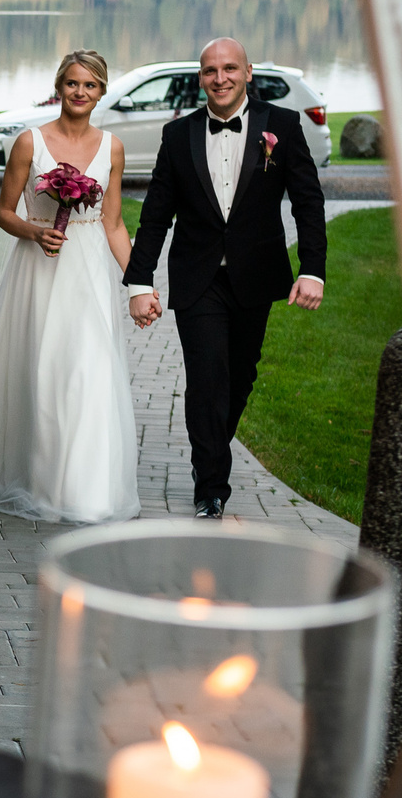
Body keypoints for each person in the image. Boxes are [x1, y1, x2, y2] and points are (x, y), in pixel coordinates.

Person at [122, 37, 325, 519]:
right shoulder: (179, 136)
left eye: (230, 68)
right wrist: (139, 282)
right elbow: (156, 215)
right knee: (208, 379)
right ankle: (210, 485)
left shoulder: (284, 125)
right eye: (211, 70)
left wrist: (312, 269)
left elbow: (309, 202)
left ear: (248, 72)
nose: (221, 78)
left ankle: (210, 448)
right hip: (198, 280)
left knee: (239, 379)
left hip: (257, 276)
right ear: (201, 77)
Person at [0, 50, 142, 525]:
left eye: (90, 85)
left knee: (87, 372)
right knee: (41, 371)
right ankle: (34, 476)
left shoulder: (112, 147)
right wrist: (35, 232)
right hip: (37, 271)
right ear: (59, 87)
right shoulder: (29, 143)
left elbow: (113, 224)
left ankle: (82, 490)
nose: (80, 92)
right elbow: (4, 212)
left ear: (101, 91)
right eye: (72, 83)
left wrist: (139, 285)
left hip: (89, 271)